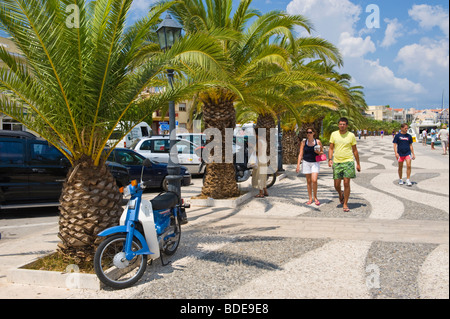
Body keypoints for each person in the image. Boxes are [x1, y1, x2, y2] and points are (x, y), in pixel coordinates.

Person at [328, 117, 361, 212]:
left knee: (346, 182)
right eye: (340, 124)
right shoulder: (334, 134)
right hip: (337, 162)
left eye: (343, 124)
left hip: (348, 161)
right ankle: (340, 193)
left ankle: (345, 204)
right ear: (338, 125)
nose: (342, 126)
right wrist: (330, 159)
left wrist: (358, 163)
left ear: (346, 125)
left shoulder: (351, 135)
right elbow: (331, 148)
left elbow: (355, 150)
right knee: (336, 184)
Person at [296, 127, 324, 206]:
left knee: (314, 180)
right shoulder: (304, 142)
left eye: (310, 132)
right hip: (306, 162)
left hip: (315, 162)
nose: (308, 134)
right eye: (307, 132)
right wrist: (298, 165)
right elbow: (301, 154)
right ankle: (310, 198)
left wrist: (318, 152)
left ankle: (315, 197)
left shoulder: (317, 142)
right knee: (308, 181)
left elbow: (322, 152)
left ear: (313, 133)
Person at [251, 132, 269, 198]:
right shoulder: (264, 140)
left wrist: (254, 152)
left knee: (259, 176)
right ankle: (265, 191)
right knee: (263, 175)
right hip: (264, 159)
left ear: (257, 134)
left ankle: (261, 193)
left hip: (260, 160)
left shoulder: (259, 141)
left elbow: (260, 152)